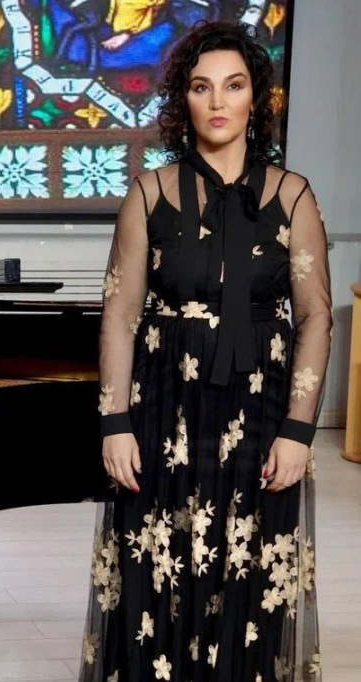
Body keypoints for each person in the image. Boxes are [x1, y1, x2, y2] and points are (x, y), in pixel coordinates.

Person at [79, 21, 331, 682]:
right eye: (200, 87)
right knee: (156, 572)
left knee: (248, 574)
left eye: (233, 85)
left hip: (262, 411)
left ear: (256, 99)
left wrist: (299, 431)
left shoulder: (292, 195)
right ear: (181, 100)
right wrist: (114, 422)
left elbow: (314, 317)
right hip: (162, 408)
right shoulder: (149, 194)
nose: (217, 101)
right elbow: (118, 316)